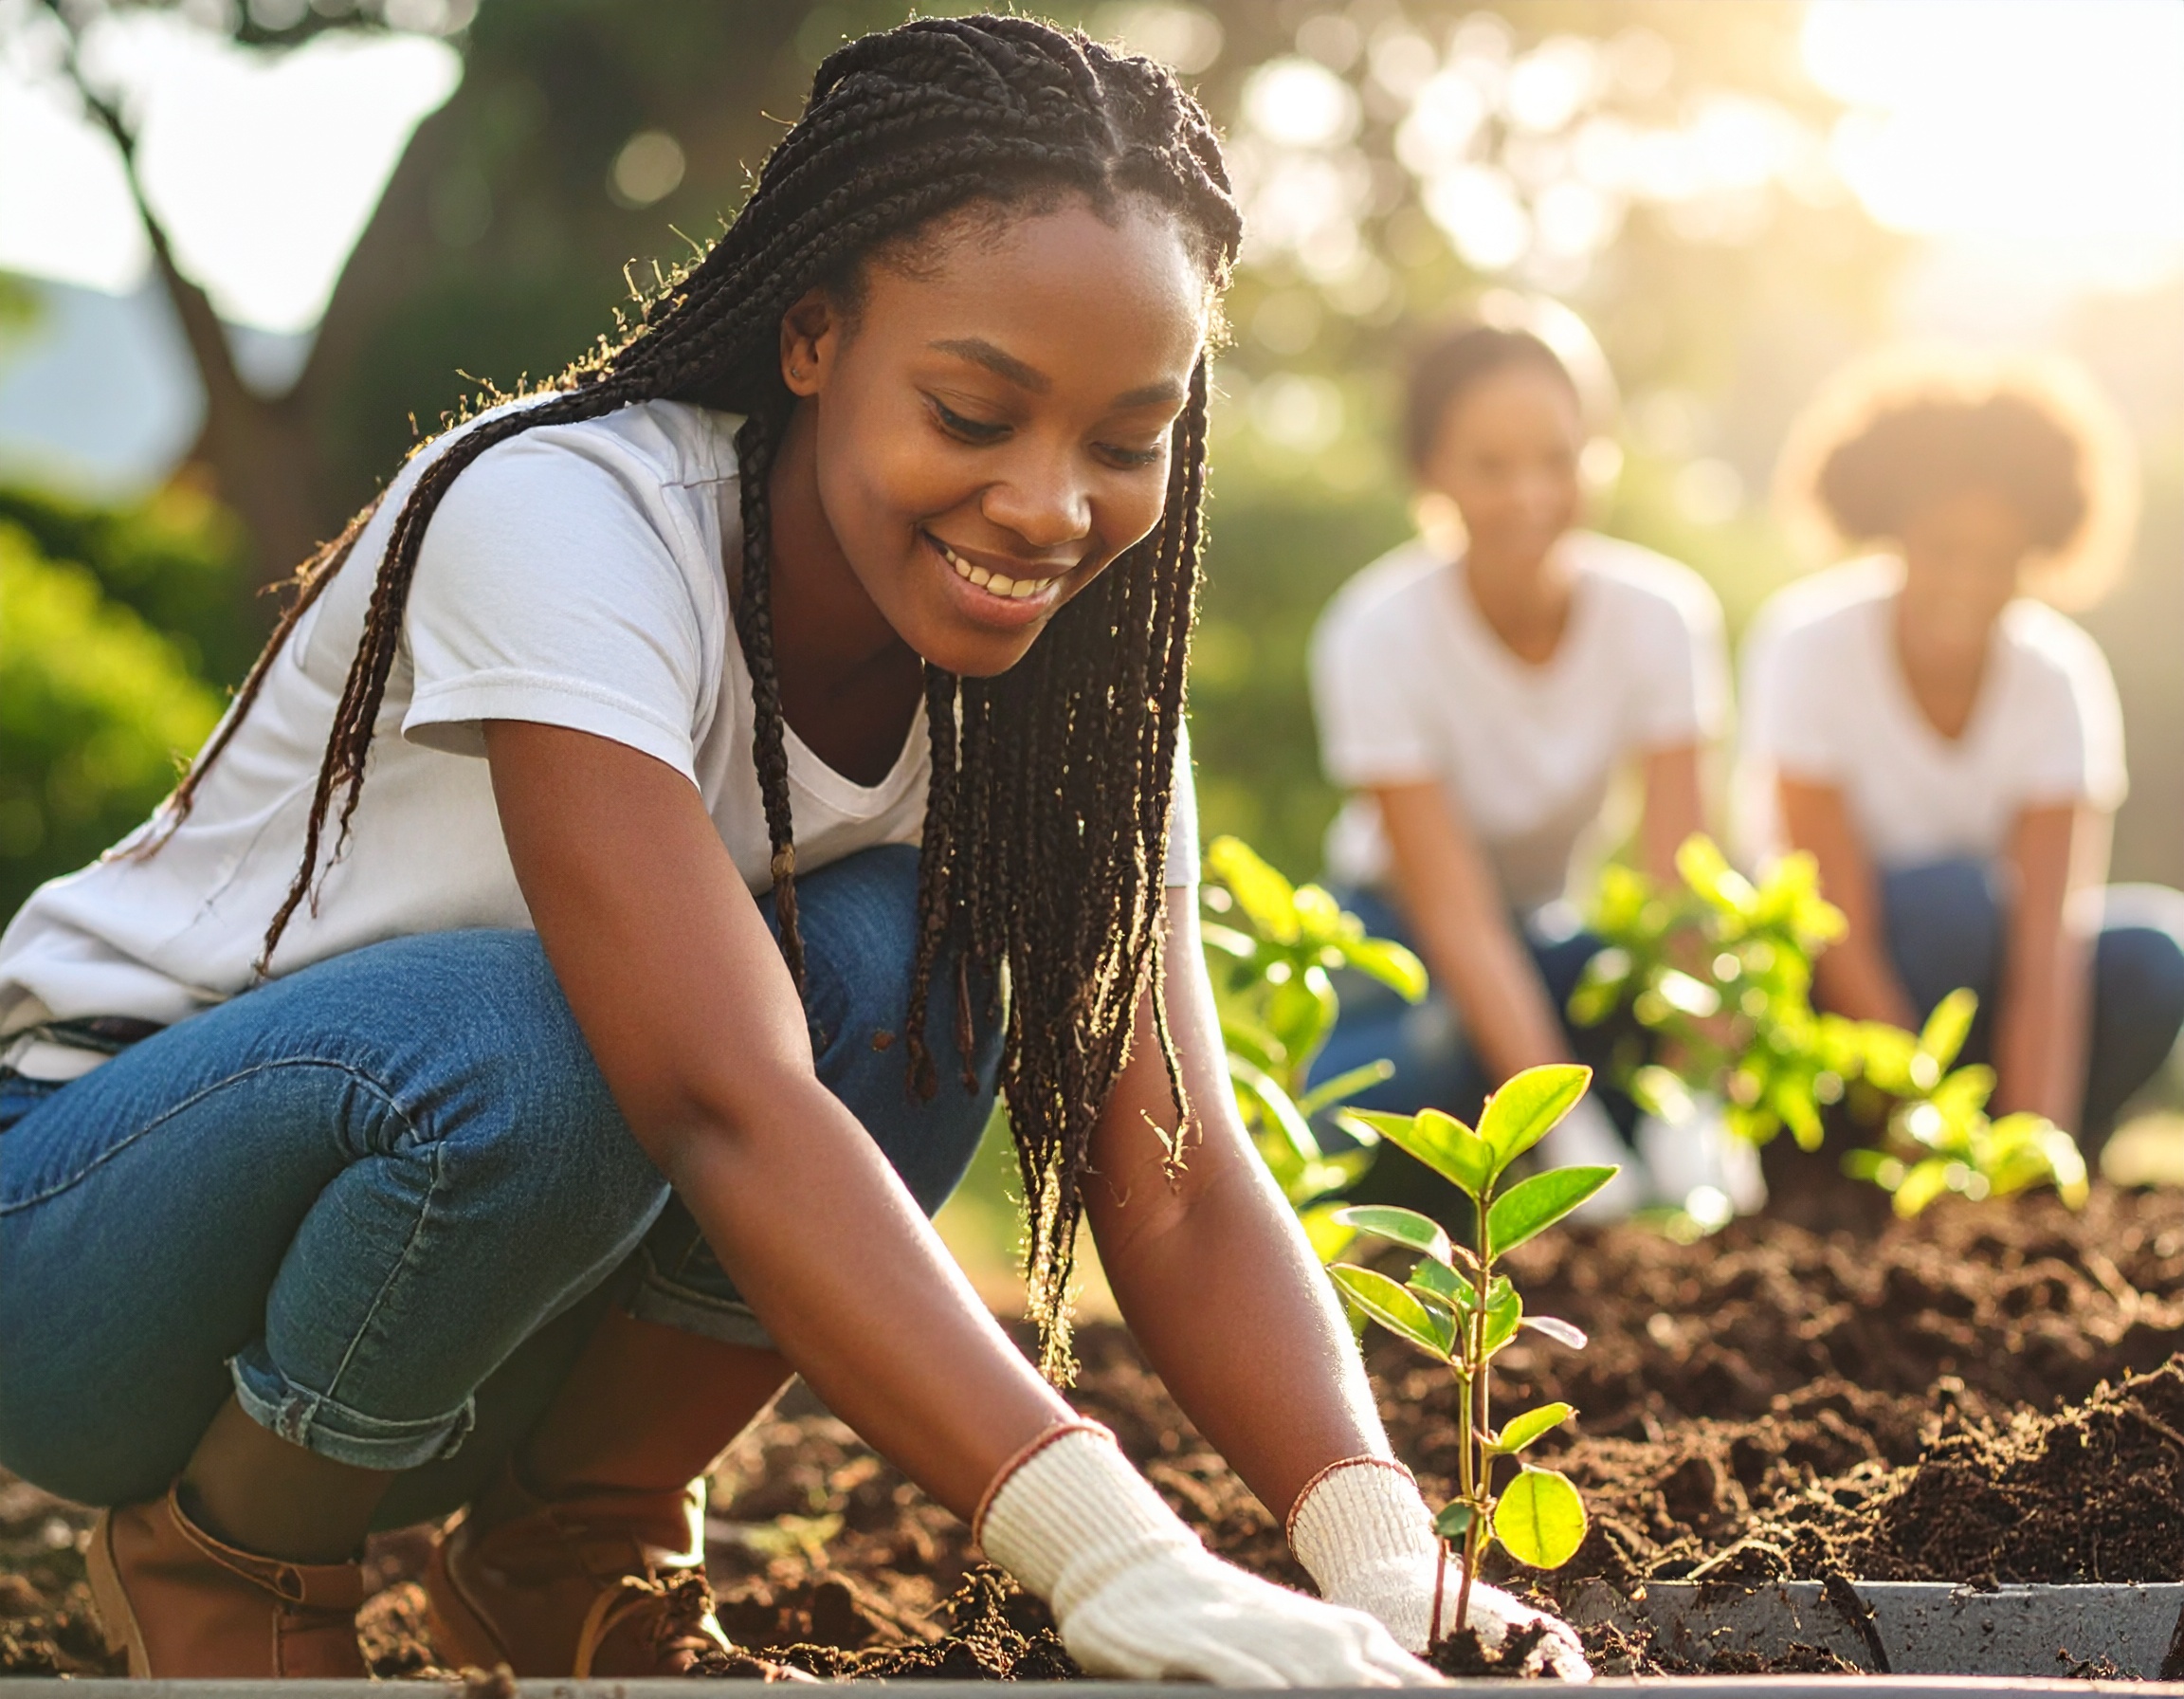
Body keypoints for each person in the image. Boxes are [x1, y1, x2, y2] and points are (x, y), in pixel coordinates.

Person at [0, 19, 1593, 1686]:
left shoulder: (1075, 700)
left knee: (918, 948)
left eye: (1125, 441)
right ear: (812, 334)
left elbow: (1178, 1183)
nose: (1048, 508)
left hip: (452, 1317)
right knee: (546, 1041)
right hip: (90, 1245)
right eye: (975, 410)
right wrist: (1115, 1561)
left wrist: (1383, 1567)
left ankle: (563, 1549)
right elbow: (713, 1086)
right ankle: (230, 1564)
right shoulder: (564, 516)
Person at [1308, 311, 1745, 1222]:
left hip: (1548, 933)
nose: (1532, 495)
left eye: (1559, 458)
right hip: (1399, 940)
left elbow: (1680, 873)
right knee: (1422, 1074)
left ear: (1601, 454)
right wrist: (1568, 1139)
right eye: (1491, 467)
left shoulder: (1662, 616)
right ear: (1431, 472)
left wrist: (1696, 1095)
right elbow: (1453, 910)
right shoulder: (1374, 633)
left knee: (1619, 1031)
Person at [1739, 349, 2184, 1151]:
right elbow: (1834, 928)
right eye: (1944, 549)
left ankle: (2058, 1158)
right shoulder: (1809, 648)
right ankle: (1850, 1167)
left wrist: (2023, 1140)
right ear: (1895, 535)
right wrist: (1929, 1124)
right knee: (1951, 901)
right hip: (1838, 1015)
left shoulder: (2059, 678)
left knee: (2157, 956)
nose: (1968, 582)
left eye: (1997, 559)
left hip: (1980, 996)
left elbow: (2048, 953)